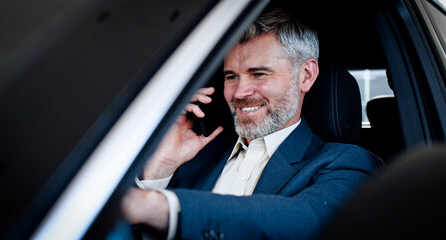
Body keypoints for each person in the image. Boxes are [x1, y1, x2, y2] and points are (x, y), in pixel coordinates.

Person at [121, 8, 377, 240]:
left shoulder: (345, 162)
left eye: (258, 74)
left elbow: (305, 222)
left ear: (306, 76)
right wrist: (160, 168)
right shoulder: (193, 159)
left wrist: (161, 207)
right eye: (231, 76)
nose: (240, 92)